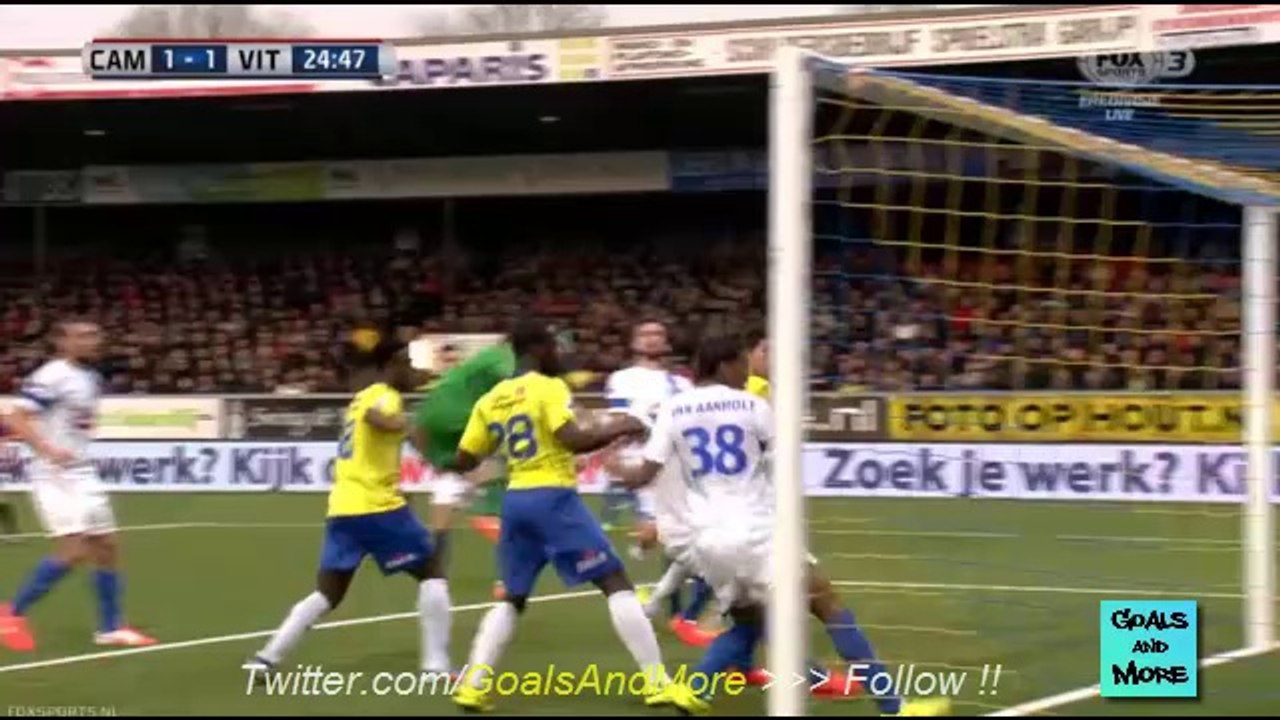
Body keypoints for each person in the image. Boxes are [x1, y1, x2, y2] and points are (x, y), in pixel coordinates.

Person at [615, 335, 950, 716]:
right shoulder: (753, 405)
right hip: (757, 531)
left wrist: (618, 471)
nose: (746, 372)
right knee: (829, 605)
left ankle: (695, 690)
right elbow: (782, 461)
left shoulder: (673, 409)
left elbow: (645, 474)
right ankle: (895, 707)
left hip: (709, 539)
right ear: (724, 365)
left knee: (750, 623)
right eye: (742, 363)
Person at [445, 319, 672, 712]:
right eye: (552, 347)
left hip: (516, 501)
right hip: (553, 498)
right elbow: (574, 440)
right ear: (536, 348)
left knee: (513, 596)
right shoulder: (548, 387)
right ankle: (658, 683)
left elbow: (464, 459)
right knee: (615, 581)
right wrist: (626, 424)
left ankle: (473, 685)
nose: (557, 354)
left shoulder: (491, 399)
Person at [243, 339, 450, 678]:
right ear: (389, 366)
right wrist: (404, 426)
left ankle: (266, 658)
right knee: (432, 573)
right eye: (404, 364)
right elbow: (376, 418)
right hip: (377, 509)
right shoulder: (385, 396)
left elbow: (369, 444)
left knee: (328, 592)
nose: (409, 371)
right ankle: (435, 666)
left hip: (343, 509)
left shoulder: (359, 399)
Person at [0, 319, 156, 652]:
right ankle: (11, 614)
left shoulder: (91, 377)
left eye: (95, 334)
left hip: (83, 471)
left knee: (107, 547)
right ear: (62, 342)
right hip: (55, 473)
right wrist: (46, 449)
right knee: (73, 552)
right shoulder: (52, 375)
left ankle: (110, 628)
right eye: (83, 335)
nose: (92, 340)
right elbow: (14, 416)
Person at [601, 319, 716, 647]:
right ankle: (671, 609)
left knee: (684, 537)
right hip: (643, 465)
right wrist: (613, 453)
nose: (652, 339)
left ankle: (666, 608)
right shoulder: (623, 378)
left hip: (681, 467)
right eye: (645, 334)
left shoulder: (683, 383)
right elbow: (620, 421)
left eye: (658, 335)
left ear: (667, 343)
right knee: (675, 536)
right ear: (633, 342)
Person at [412, 339, 515, 617]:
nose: (450, 363)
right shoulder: (439, 391)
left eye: (453, 358)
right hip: (453, 466)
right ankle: (436, 579)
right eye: (445, 359)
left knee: (492, 519)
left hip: (475, 461)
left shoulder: (473, 386)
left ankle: (505, 577)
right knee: (441, 524)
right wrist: (435, 461)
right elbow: (419, 430)